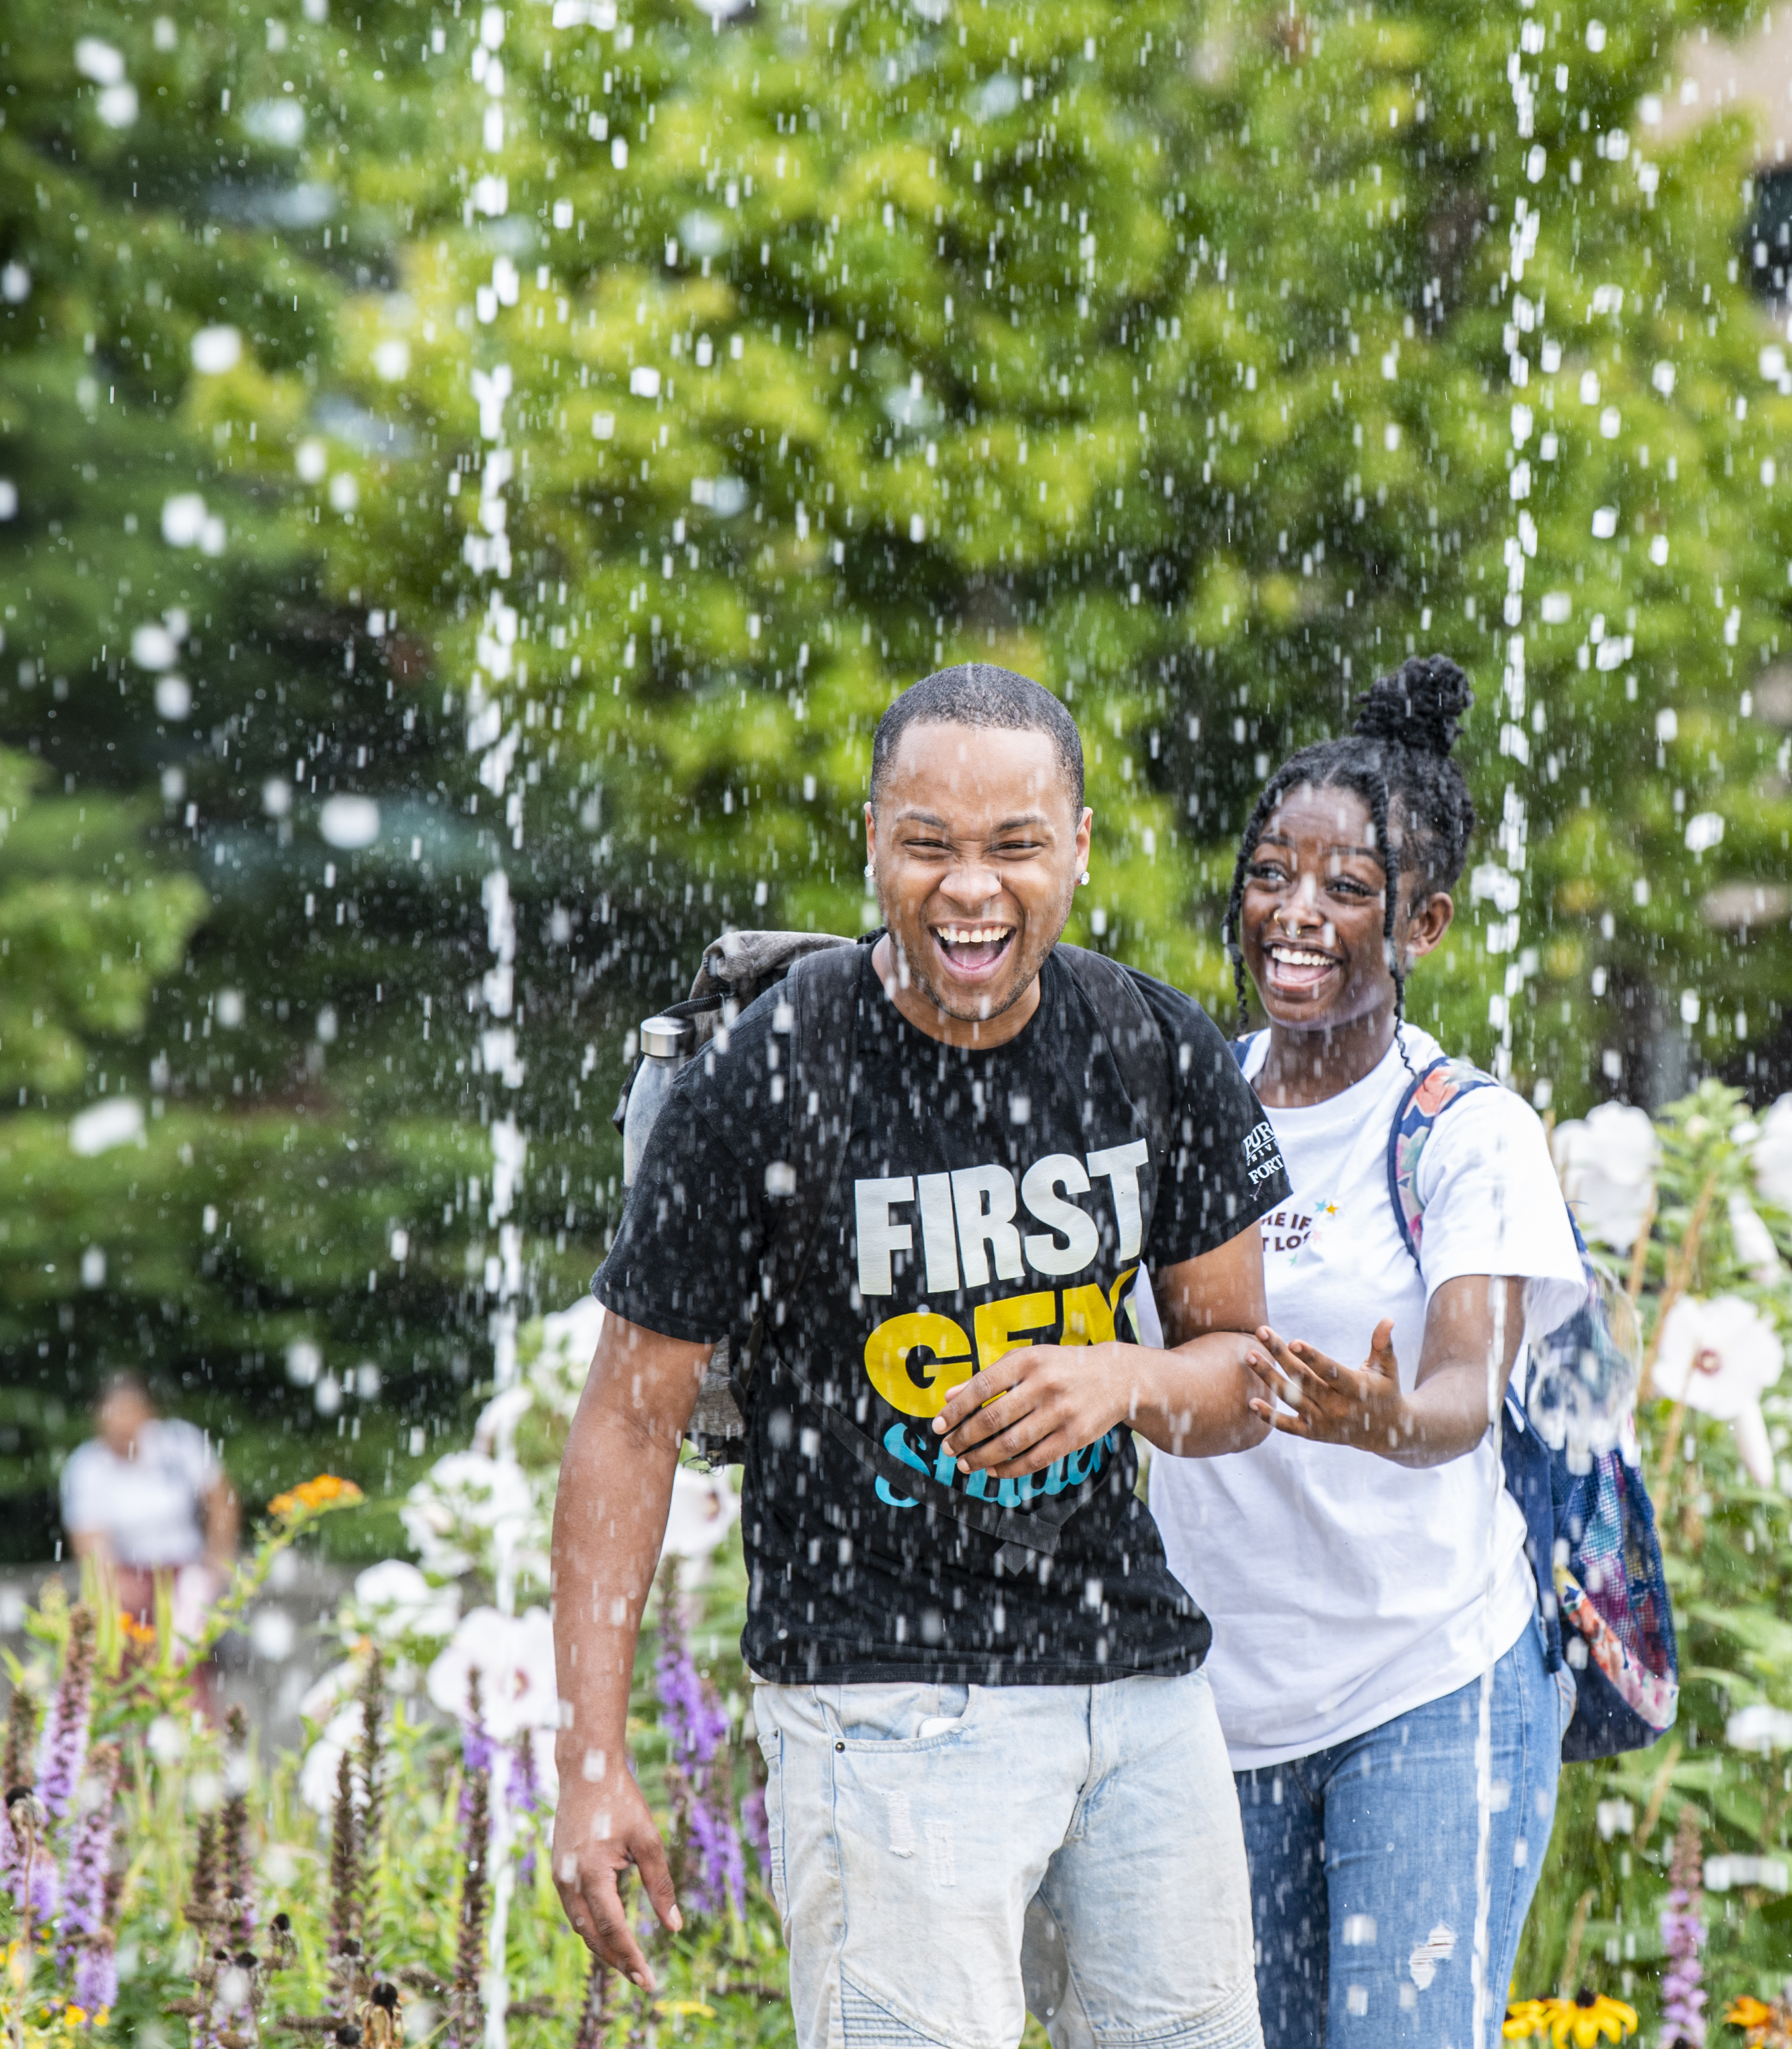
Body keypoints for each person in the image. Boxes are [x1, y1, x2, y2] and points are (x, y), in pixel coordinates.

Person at [552, 663, 1294, 2049]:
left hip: (1133, 1690)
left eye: (1015, 847)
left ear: (1078, 847)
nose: (972, 890)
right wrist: (594, 1760)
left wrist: (1121, 1379)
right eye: (930, 845)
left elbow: (1246, 1378)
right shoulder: (767, 1076)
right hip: (876, 1701)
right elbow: (628, 1421)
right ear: (872, 843)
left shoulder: (1151, 1047)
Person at [1149, 657, 1585, 2049]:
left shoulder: (1466, 1132)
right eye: (1273, 874)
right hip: (1219, 1709)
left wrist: (1389, 1418)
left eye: (1347, 889)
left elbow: (1466, 1383)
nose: (1295, 915)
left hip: (1428, 1686)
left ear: (1426, 924)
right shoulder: (1185, 1105)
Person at [61, 1372, 237, 1635]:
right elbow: (89, 1541)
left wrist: (217, 1560)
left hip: (187, 1569)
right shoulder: (87, 1467)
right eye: (113, 1414)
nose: (122, 1424)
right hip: (126, 1576)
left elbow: (221, 1501)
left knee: (187, 1646)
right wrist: (115, 1585)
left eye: (129, 1412)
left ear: (149, 1414)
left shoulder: (180, 1444)